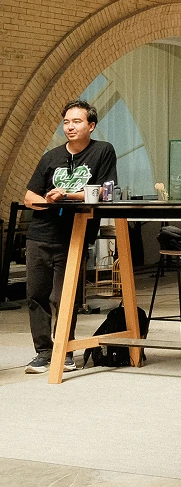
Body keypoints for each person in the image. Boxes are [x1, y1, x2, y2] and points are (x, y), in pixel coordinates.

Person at [23, 100, 117, 373]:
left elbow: (105, 191)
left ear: (91, 125)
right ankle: (43, 352)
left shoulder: (102, 151)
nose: (70, 127)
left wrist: (66, 195)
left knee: (63, 297)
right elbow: (29, 195)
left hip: (74, 235)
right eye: (66, 122)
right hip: (40, 233)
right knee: (36, 296)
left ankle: (65, 350)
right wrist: (48, 202)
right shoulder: (51, 157)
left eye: (76, 121)